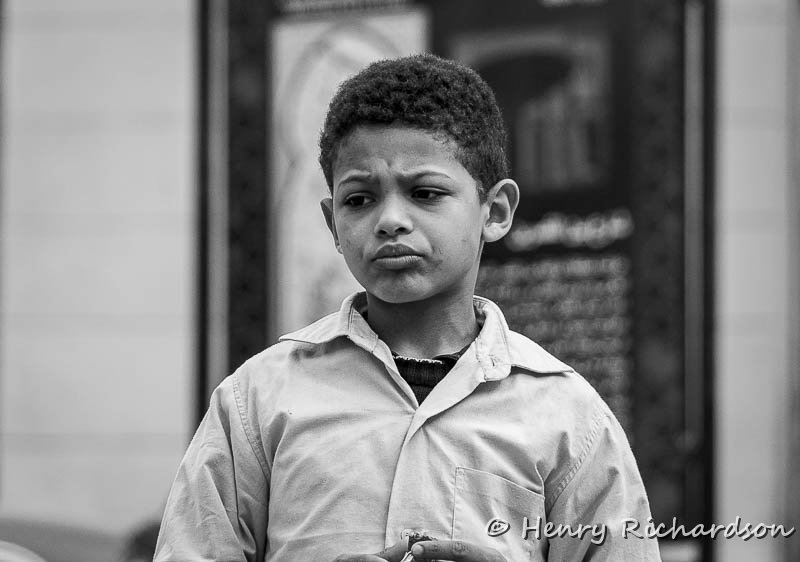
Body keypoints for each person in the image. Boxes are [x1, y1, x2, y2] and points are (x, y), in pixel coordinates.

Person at [155, 54, 660, 561]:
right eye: (359, 200)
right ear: (333, 225)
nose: (390, 220)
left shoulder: (567, 416)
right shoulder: (258, 400)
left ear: (496, 211)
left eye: (425, 193)